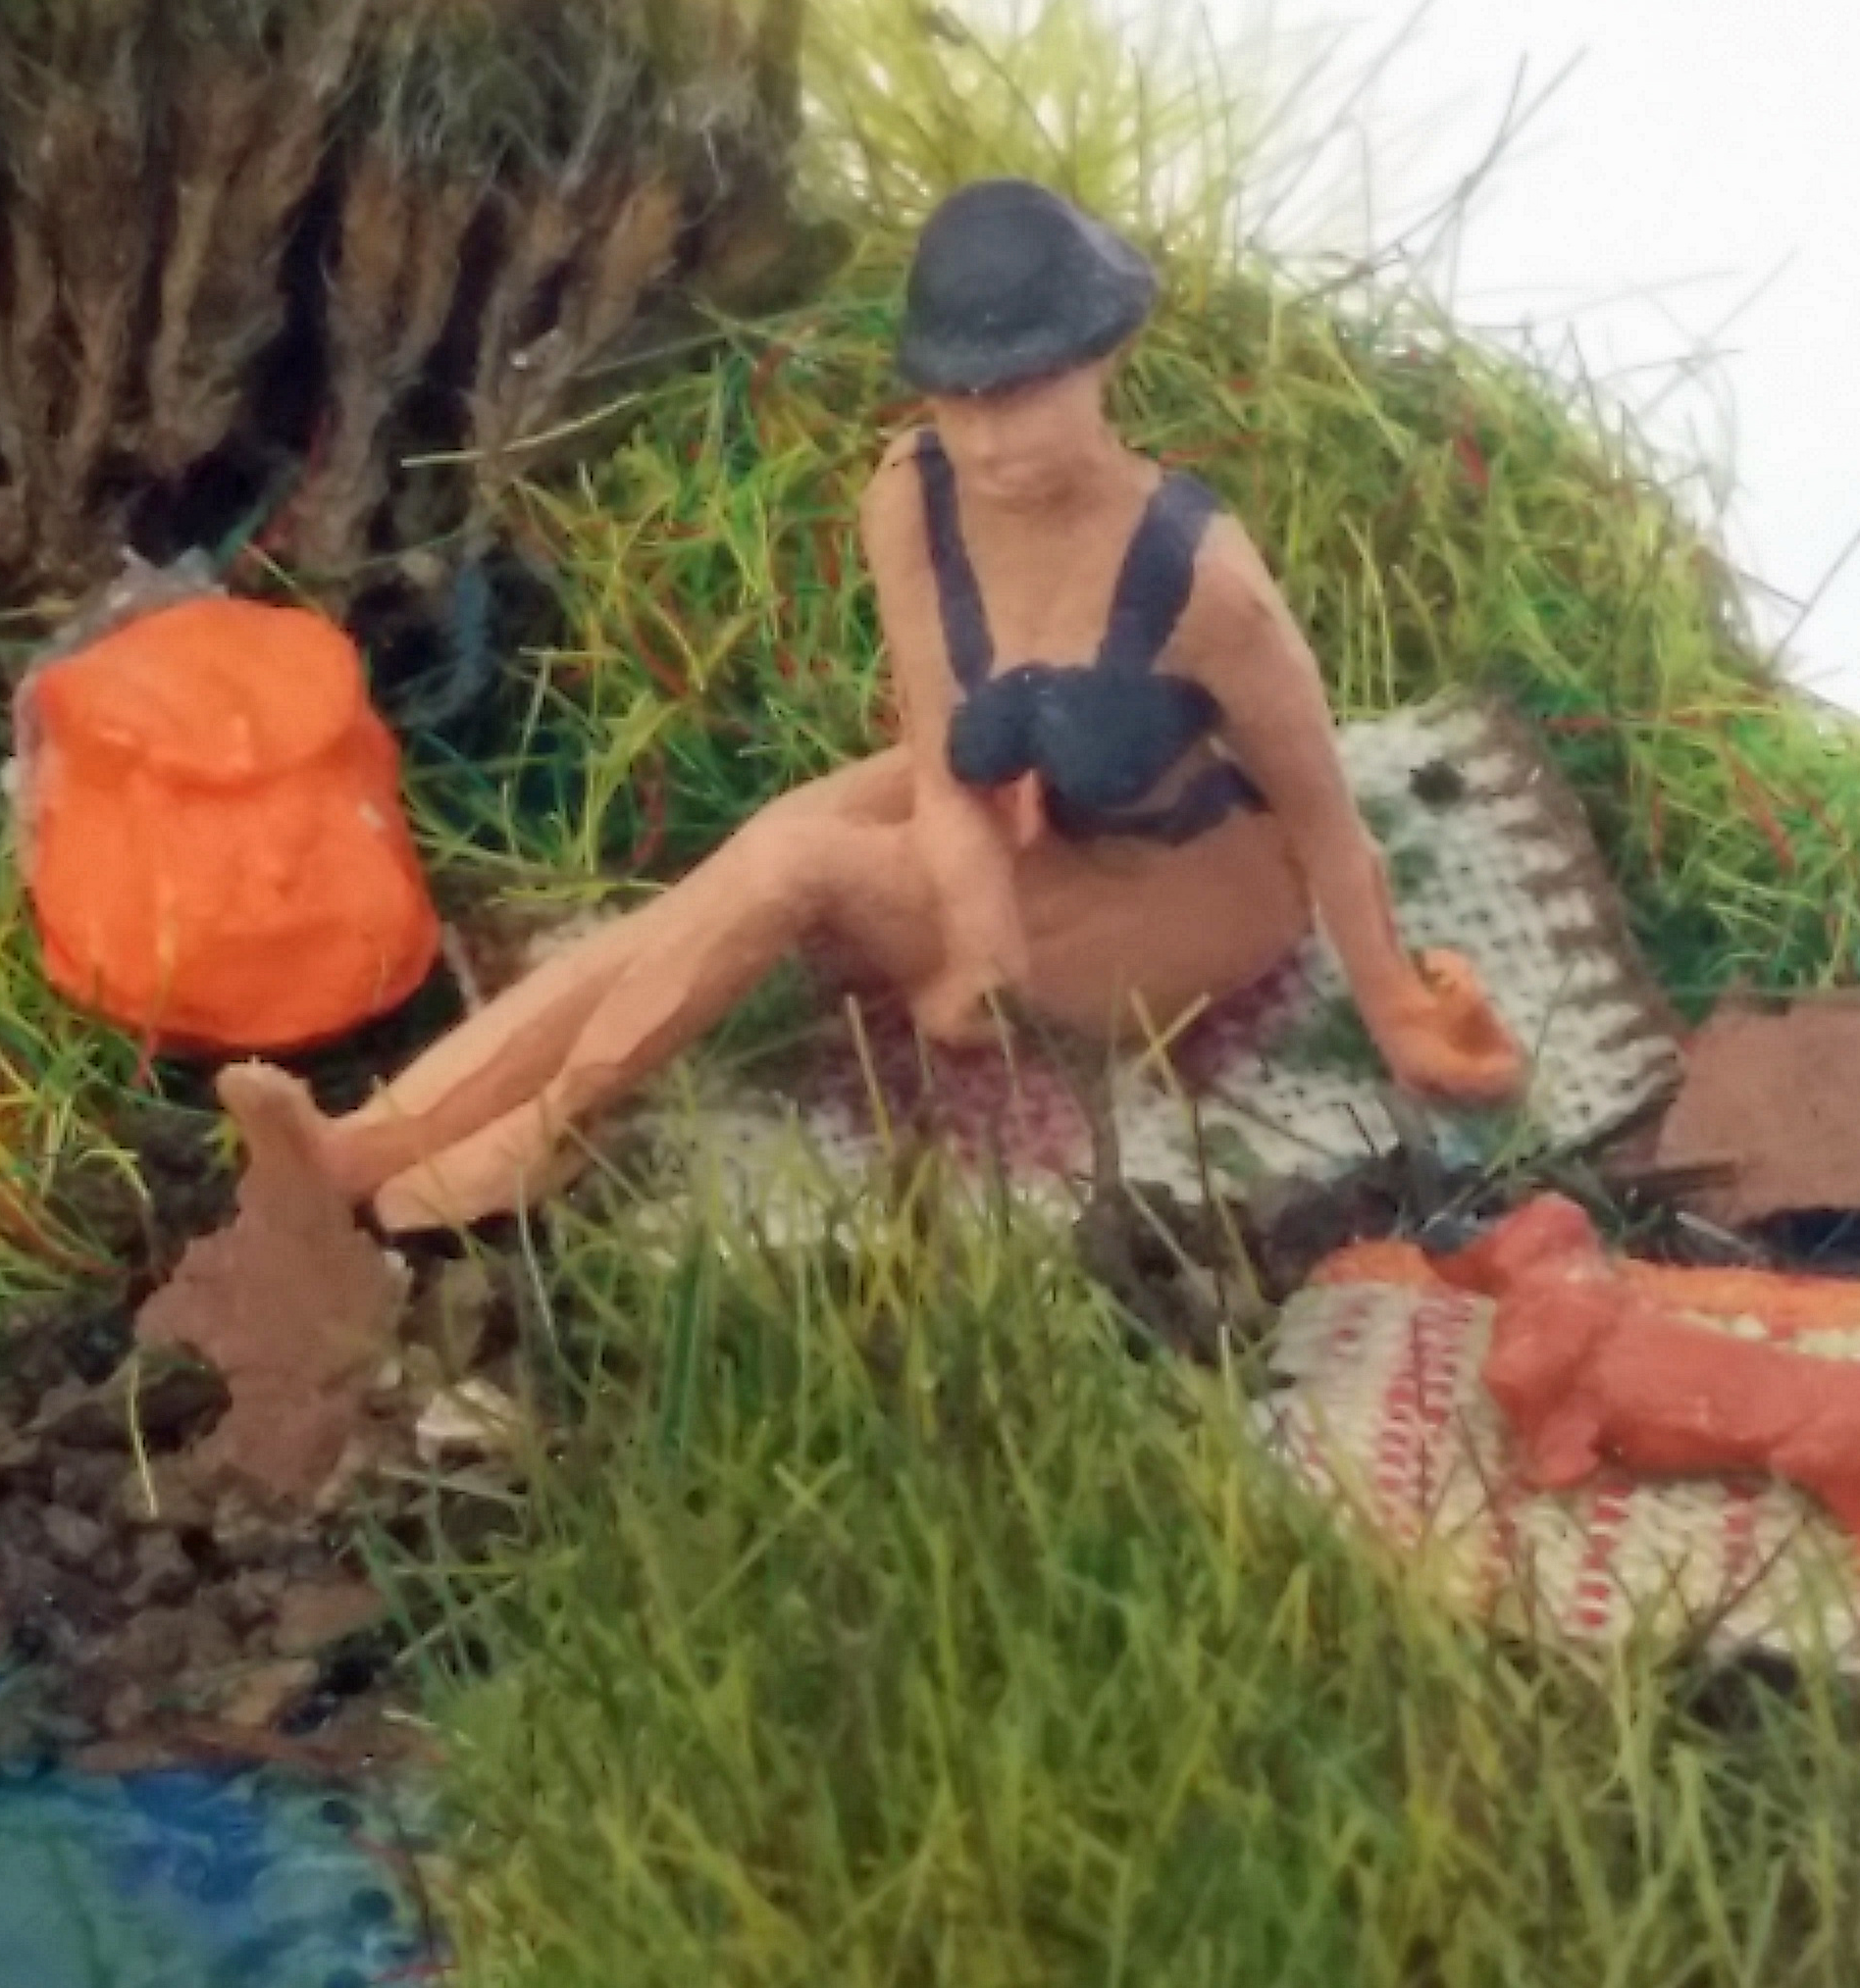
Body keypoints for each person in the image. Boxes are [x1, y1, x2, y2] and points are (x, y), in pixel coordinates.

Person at [220, 178, 1528, 1233]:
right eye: (961, 396)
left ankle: (558, 1117)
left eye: (1024, 390)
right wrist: (976, 935)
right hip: (1025, 823)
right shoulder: (915, 495)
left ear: (1106, 356)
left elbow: (1322, 813)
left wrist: (1407, 1011)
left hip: (1191, 895)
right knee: (748, 865)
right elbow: (940, 744)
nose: (993, 438)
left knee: (798, 869)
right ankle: (363, 1143)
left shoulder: (1202, 584)